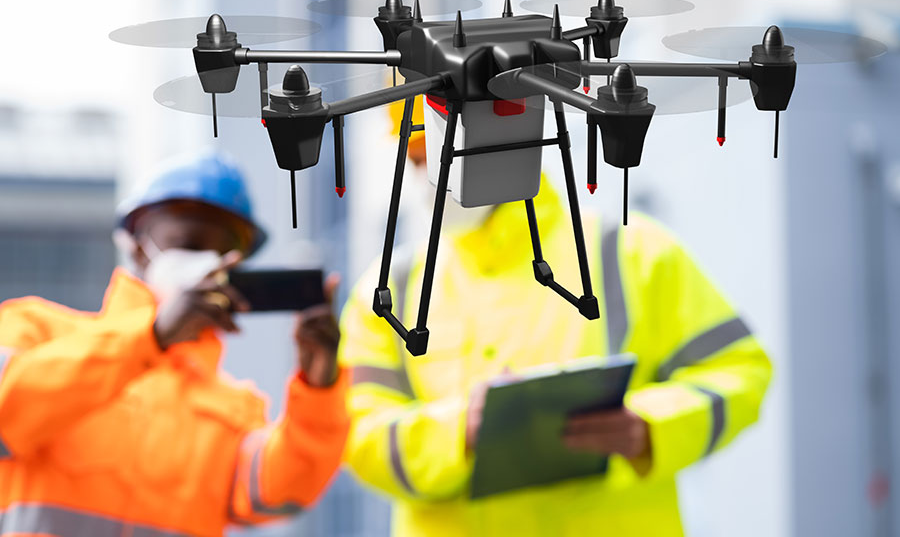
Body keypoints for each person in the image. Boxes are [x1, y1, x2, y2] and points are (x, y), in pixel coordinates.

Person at [338, 106, 772, 537]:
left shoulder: (634, 252)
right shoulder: (386, 293)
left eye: (435, 155)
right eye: (414, 161)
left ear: (500, 146)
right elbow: (356, 435)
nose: (425, 177)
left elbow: (740, 372)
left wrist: (648, 427)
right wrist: (459, 432)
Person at [0, 150, 349, 537]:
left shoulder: (234, 410)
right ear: (135, 245)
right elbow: (9, 409)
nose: (205, 263)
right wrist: (153, 335)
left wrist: (319, 388)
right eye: (188, 242)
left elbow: (282, 494)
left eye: (222, 253)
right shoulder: (34, 330)